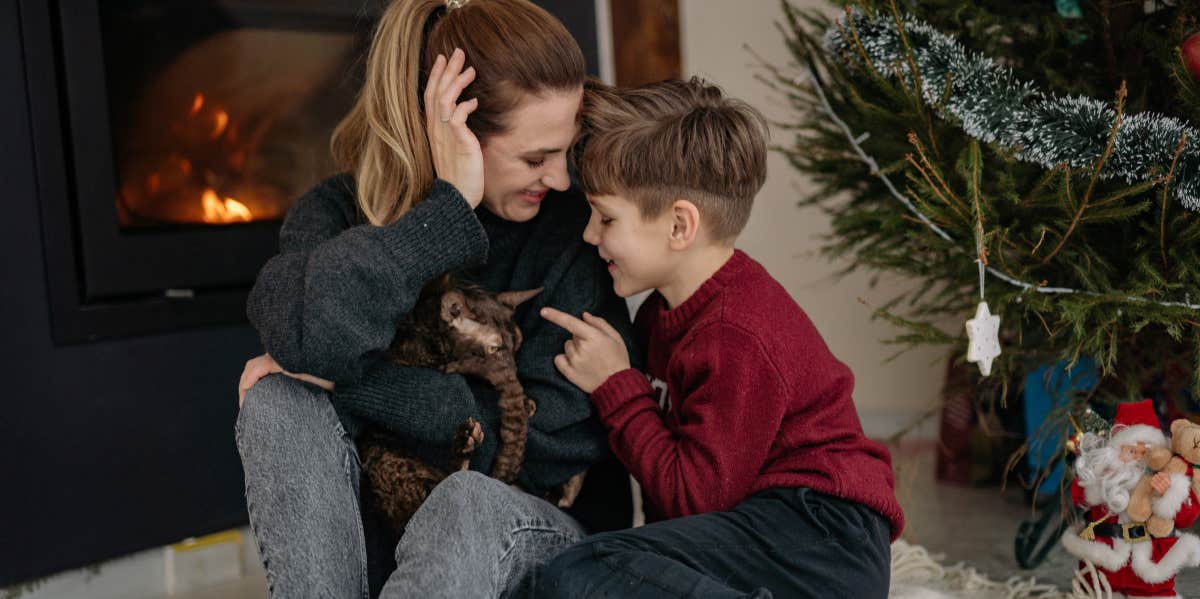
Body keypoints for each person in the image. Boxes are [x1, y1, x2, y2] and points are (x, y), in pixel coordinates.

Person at [233, 0, 634, 597]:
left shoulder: (572, 232)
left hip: (533, 530)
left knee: (467, 499)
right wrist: (445, 213)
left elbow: (539, 443)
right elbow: (304, 342)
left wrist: (354, 384)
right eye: (535, 158)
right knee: (279, 402)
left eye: (563, 152)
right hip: (391, 541)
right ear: (456, 135)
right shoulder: (336, 212)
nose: (559, 179)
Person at [536, 78, 903, 598]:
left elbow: (695, 500)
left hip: (821, 536)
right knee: (594, 569)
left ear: (680, 226)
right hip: (766, 529)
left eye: (607, 217)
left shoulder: (736, 331)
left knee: (581, 571)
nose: (590, 235)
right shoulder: (662, 316)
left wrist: (617, 386)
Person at [1060, 400, 1200, 598]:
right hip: (1104, 557)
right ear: (1116, 451)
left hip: (1149, 560)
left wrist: (1170, 494)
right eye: (1132, 451)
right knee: (1097, 591)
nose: (1138, 459)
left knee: (1154, 593)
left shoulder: (1168, 477)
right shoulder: (1105, 476)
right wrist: (1099, 479)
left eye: (1146, 453)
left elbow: (1187, 517)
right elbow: (1078, 496)